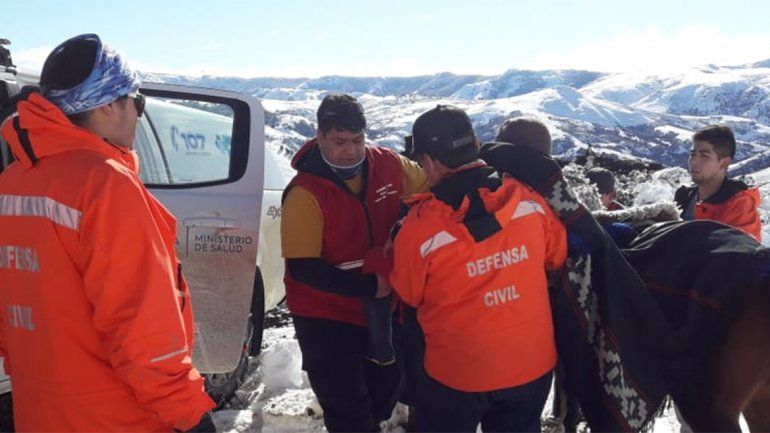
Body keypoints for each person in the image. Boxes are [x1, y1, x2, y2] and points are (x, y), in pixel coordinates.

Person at [0, 34, 215, 432]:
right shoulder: (105, 184)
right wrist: (189, 414)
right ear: (110, 104)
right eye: (138, 100)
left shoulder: (13, 181)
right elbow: (141, 326)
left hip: (39, 409)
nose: (138, 113)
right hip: (114, 416)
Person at [389, 105, 567, 432]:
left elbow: (408, 293)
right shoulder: (529, 200)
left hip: (458, 374)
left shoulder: (419, 228)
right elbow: (555, 259)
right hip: (531, 366)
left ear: (428, 160)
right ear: (475, 144)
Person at [280, 93, 427, 432]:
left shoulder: (389, 165)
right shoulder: (305, 192)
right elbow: (303, 268)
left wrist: (405, 227)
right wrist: (370, 286)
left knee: (383, 393)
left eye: (357, 140)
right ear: (320, 138)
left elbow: (430, 191)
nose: (350, 150)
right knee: (348, 412)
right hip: (324, 316)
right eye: (339, 142)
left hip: (380, 310)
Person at [674, 125, 761, 242]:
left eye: (704, 155)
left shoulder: (739, 205)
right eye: (693, 154)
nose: (694, 161)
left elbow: (742, 255)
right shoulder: (684, 196)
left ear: (724, 163)